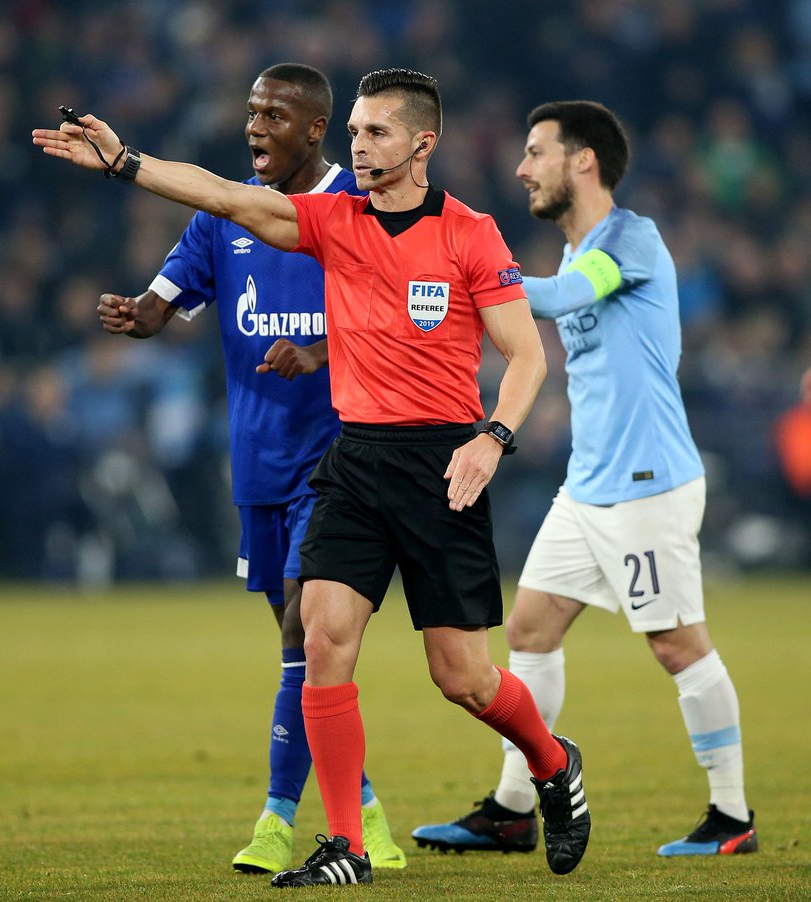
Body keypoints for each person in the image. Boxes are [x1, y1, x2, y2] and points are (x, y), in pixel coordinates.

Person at [34, 67, 592, 886]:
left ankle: (552, 762)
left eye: (376, 133)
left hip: (442, 464)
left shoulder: (470, 233)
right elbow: (224, 197)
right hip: (355, 459)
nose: (358, 147)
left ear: (423, 145)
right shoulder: (334, 221)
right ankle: (347, 847)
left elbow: (528, 357)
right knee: (322, 640)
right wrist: (127, 164)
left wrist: (493, 438)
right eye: (355, 131)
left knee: (462, 677)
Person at [411, 100, 757, 860]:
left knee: (678, 645)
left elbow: (561, 301)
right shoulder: (574, 256)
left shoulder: (630, 239)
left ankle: (732, 816)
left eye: (536, 152)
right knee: (529, 629)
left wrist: (466, 272)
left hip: (647, 484)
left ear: (583, 160)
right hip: (588, 486)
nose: (521, 169)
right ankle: (513, 808)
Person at [94, 63, 405, 875]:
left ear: (315, 128)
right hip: (260, 462)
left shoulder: (357, 207)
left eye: (273, 115)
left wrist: (322, 351)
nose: (255, 127)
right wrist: (135, 315)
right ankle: (367, 811)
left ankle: (276, 820)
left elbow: (398, 323)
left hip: (339, 460)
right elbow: (161, 306)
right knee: (304, 657)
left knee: (306, 632)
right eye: (252, 112)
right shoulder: (225, 216)